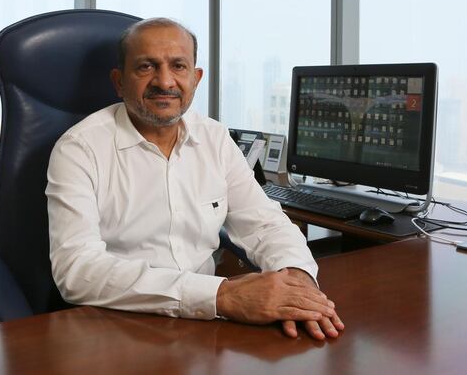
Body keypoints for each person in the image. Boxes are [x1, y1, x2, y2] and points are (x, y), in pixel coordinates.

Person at [46, 17, 344, 340]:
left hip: (206, 330)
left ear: (196, 78)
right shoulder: (79, 149)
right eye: (146, 67)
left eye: (178, 66)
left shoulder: (215, 138)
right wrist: (220, 296)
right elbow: (77, 270)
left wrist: (296, 279)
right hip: (114, 329)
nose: (165, 81)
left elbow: (265, 223)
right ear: (119, 82)